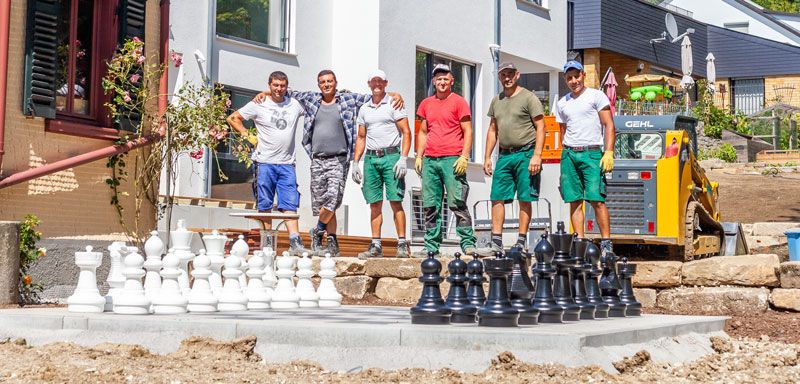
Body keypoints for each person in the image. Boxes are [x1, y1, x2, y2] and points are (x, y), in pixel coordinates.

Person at [254, 70, 402, 257]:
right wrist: (265, 93)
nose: (326, 84)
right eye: (323, 82)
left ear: (335, 82)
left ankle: (318, 230)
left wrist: (395, 95)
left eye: (330, 81)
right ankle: (331, 239)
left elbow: (375, 95)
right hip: (317, 159)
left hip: (339, 159)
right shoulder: (310, 99)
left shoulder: (348, 99)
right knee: (322, 203)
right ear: (318, 84)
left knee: (332, 200)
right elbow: (284, 91)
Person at [226, 71, 306, 254]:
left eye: (282, 85)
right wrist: (247, 135)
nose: (279, 89)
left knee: (290, 203)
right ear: (269, 85)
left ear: (287, 86)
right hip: (264, 162)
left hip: (287, 164)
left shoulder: (294, 104)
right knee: (265, 204)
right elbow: (233, 118)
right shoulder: (259, 104)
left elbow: (311, 100)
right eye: (275, 85)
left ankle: (296, 242)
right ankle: (267, 242)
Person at [415, 64, 483, 257]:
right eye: (439, 79)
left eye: (446, 78)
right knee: (430, 204)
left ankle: (468, 243)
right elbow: (422, 132)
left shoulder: (459, 102)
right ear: (433, 81)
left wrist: (464, 156)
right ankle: (431, 245)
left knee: (457, 202)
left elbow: (468, 130)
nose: (442, 82)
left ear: (452, 81)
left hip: (452, 159)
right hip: (430, 160)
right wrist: (419, 156)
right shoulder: (426, 104)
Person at [554, 60, 616, 255]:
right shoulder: (562, 102)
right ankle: (579, 243)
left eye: (576, 76)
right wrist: (564, 152)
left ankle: (606, 243)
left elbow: (609, 125)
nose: (573, 81)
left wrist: (609, 151)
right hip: (570, 153)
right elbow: (562, 130)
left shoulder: (596, 96)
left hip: (592, 152)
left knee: (596, 199)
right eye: (569, 77)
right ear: (565, 79)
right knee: (574, 200)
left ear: (583, 75)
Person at [482, 62, 546, 253]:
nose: (507, 78)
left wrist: (537, 155)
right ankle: (496, 241)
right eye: (503, 75)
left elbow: (541, 127)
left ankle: (520, 240)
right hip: (504, 155)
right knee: (497, 197)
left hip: (526, 153)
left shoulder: (529, 97)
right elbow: (493, 129)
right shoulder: (497, 100)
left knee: (524, 198)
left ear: (517, 75)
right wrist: (486, 157)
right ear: (500, 77)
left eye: (510, 74)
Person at [351, 70, 412, 259]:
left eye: (380, 81)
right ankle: (375, 244)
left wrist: (403, 158)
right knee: (374, 203)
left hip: (391, 156)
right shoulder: (364, 108)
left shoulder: (394, 103)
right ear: (369, 84)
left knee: (395, 201)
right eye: (373, 81)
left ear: (386, 83)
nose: (377, 84)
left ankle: (402, 243)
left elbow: (406, 132)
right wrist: (355, 162)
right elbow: (361, 136)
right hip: (371, 158)